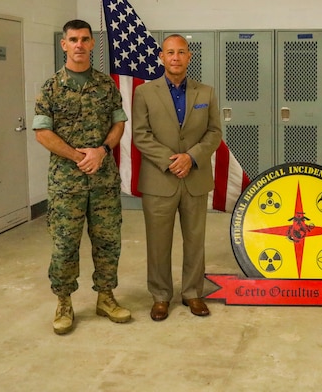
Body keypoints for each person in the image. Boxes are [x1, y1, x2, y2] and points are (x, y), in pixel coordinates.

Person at [33, 19, 131, 335]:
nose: (78, 45)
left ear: (91, 44)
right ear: (64, 45)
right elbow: (42, 133)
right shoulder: (50, 88)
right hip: (66, 184)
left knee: (107, 241)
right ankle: (64, 302)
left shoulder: (106, 85)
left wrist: (101, 150)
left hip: (102, 181)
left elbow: (119, 124)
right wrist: (78, 156)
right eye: (73, 39)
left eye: (84, 39)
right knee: (64, 244)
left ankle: (105, 296)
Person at [132, 34, 222, 321]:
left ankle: (193, 293)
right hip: (160, 180)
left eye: (181, 52)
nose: (175, 57)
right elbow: (140, 135)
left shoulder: (205, 93)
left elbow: (214, 132)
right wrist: (171, 161)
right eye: (170, 52)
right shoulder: (145, 93)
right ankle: (160, 296)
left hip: (195, 178)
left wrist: (191, 157)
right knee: (158, 242)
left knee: (195, 240)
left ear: (189, 57)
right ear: (161, 56)